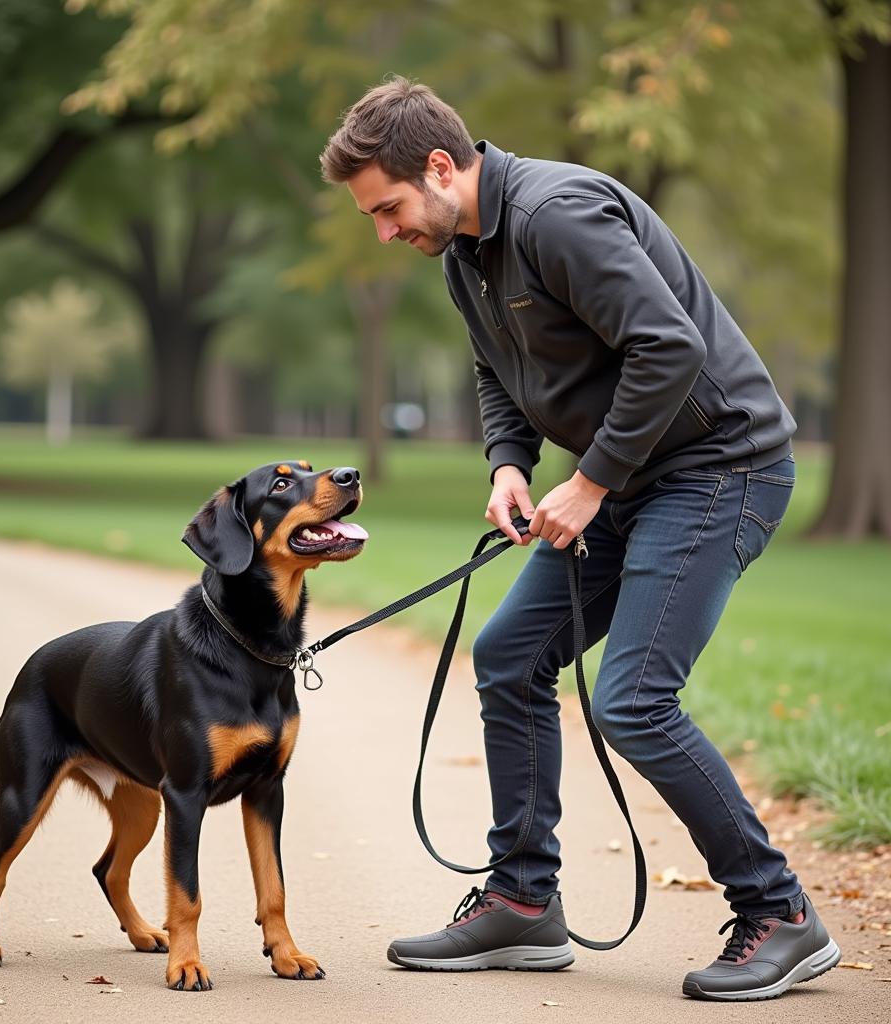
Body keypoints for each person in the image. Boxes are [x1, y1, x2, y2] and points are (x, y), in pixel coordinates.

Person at [319, 77, 841, 1001]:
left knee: (635, 701)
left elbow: (668, 349)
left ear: (441, 167)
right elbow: (497, 368)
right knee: (510, 656)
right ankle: (524, 903)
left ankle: (782, 912)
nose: (385, 231)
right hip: (631, 478)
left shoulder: (558, 215)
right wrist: (509, 466)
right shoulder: (464, 254)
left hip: (722, 467)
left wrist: (590, 480)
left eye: (390, 207)